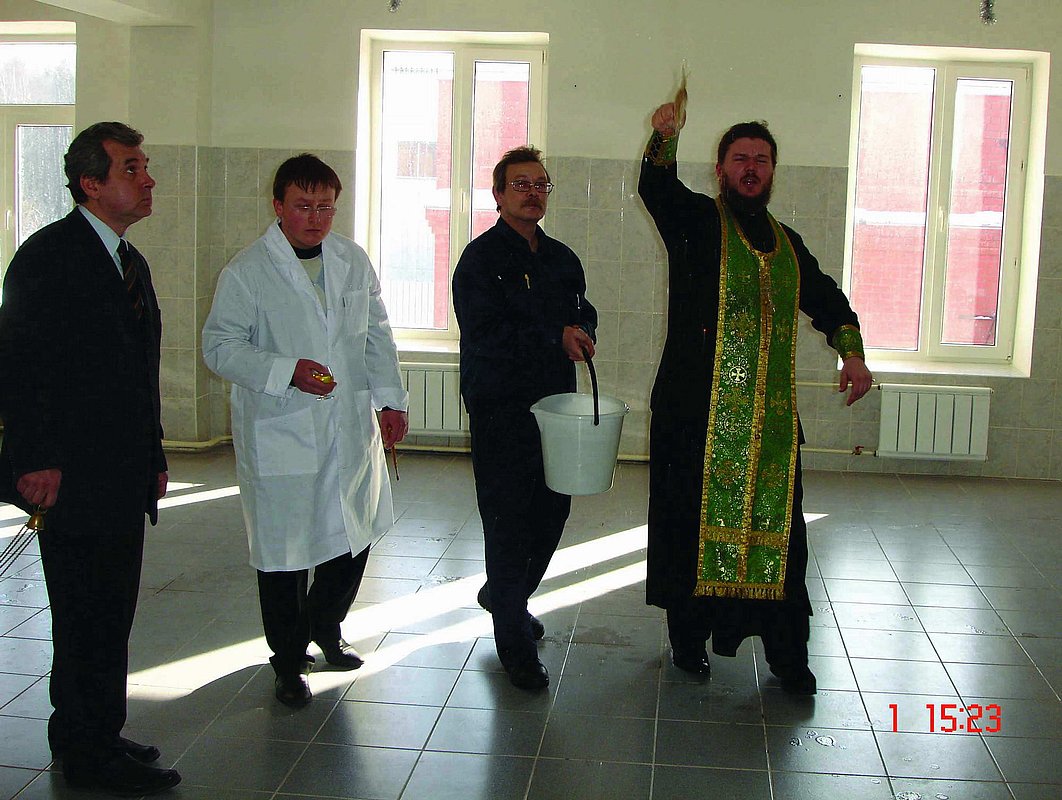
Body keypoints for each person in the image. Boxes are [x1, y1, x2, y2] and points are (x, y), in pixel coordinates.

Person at [638, 103, 873, 694]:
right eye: (740, 158)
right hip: (696, 420)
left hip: (769, 428)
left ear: (772, 172)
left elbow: (826, 298)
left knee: (782, 539)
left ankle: (788, 655)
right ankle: (688, 640)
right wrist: (663, 139)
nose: (751, 168)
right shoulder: (696, 221)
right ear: (720, 169)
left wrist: (851, 351)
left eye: (761, 160)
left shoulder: (788, 244)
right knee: (691, 530)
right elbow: (656, 190)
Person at [0, 122, 181, 795]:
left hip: (120, 473)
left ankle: (96, 731)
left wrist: (153, 454)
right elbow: (21, 368)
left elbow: (138, 373)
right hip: (71, 475)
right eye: (132, 168)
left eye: (144, 165)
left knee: (111, 612)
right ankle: (85, 751)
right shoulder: (49, 258)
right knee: (83, 615)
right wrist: (35, 459)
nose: (148, 178)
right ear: (91, 183)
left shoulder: (128, 261)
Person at [202, 154, 408, 708]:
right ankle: (289, 660)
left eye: (325, 207)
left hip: (349, 425)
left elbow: (376, 334)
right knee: (285, 554)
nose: (316, 218)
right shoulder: (248, 270)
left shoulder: (351, 260)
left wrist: (391, 400)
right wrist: (285, 371)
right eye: (303, 206)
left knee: (354, 533)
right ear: (278, 206)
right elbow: (220, 347)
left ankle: (326, 627)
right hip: (282, 427)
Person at [452, 146, 597, 691]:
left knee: (552, 511)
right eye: (520, 184)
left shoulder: (561, 258)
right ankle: (515, 646)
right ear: (497, 194)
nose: (533, 193)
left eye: (541, 184)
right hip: (500, 408)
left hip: (555, 410)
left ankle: (503, 595)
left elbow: (582, 309)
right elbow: (486, 331)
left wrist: (584, 332)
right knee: (508, 522)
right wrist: (553, 336)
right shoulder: (480, 260)